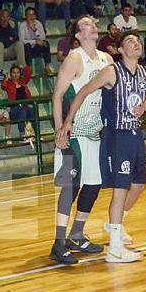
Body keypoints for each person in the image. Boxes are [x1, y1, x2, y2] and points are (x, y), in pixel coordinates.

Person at [59, 31, 146, 263]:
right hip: (116, 135)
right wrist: (67, 121)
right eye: (130, 41)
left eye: (138, 40)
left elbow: (142, 99)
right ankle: (115, 249)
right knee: (120, 189)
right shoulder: (111, 72)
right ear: (120, 50)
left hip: (135, 134)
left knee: (139, 184)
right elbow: (82, 92)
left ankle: (114, 225)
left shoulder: (143, 72)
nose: (136, 43)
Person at [49, 16, 113, 264]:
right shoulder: (74, 59)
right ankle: (58, 243)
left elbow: (110, 96)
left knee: (94, 185)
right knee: (71, 186)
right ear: (77, 34)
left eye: (94, 23)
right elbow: (57, 96)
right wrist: (59, 130)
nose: (93, 25)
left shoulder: (107, 59)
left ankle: (77, 233)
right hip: (73, 131)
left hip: (95, 131)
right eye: (86, 24)